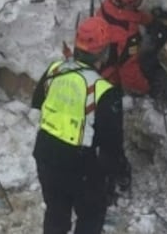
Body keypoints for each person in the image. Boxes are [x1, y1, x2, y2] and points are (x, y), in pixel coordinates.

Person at [31, 16, 129, 234]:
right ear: (103, 53)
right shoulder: (104, 91)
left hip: (45, 155)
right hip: (79, 165)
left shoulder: (55, 70)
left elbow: (38, 102)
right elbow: (112, 143)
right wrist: (114, 174)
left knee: (56, 212)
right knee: (91, 215)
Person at [98, 0, 156, 95]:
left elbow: (126, 15)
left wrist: (148, 20)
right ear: (135, 1)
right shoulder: (127, 35)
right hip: (107, 78)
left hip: (100, 57)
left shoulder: (107, 5)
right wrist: (146, 88)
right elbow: (129, 72)